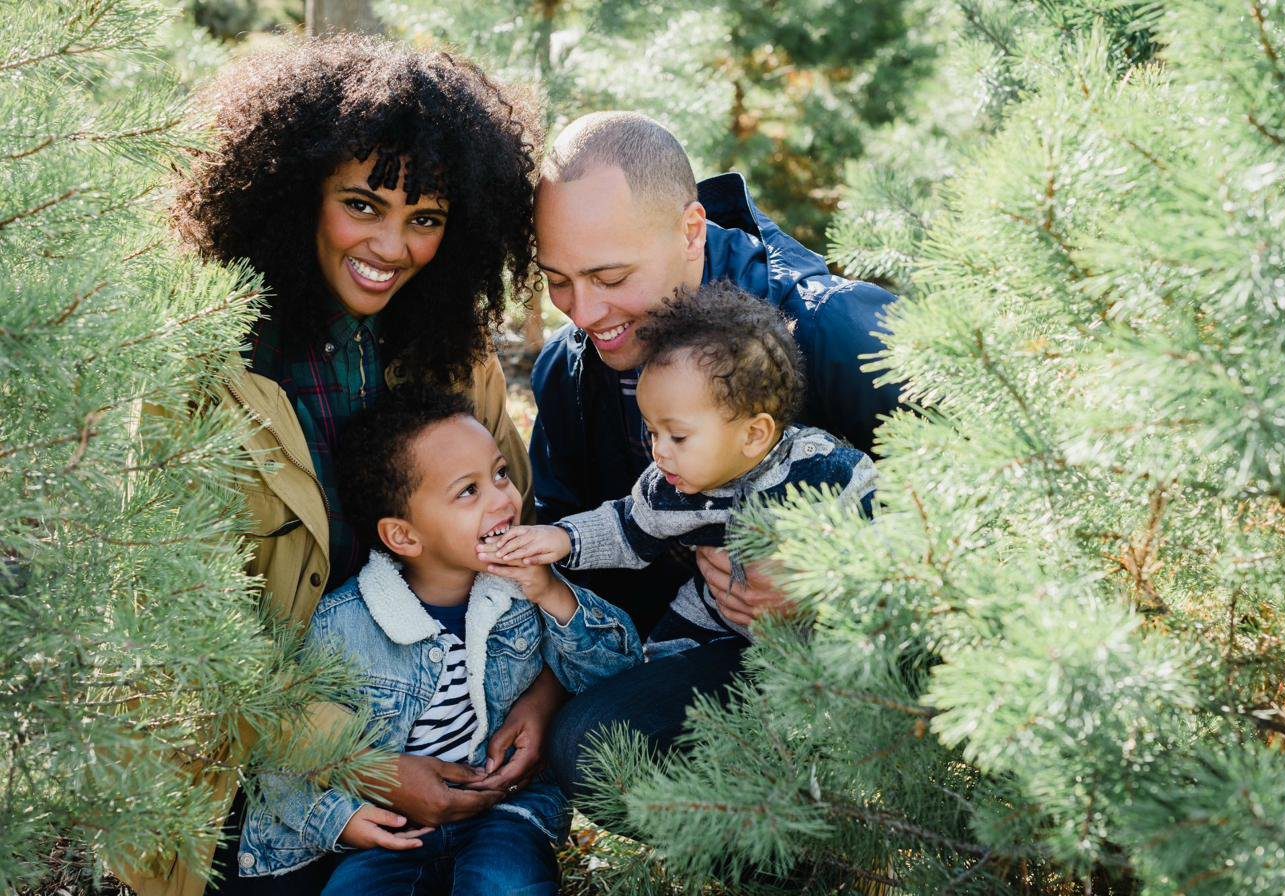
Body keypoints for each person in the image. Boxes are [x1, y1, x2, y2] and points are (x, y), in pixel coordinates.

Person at [123, 38, 562, 896]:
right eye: (362, 204)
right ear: (294, 194)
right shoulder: (202, 369)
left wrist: (539, 703)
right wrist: (351, 763)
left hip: (453, 745)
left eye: (426, 218)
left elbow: (519, 552)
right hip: (254, 768)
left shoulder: (456, 355)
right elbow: (175, 631)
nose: (392, 246)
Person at [528, 111, 906, 798]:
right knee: (592, 752)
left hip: (869, 659)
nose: (582, 313)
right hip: (700, 649)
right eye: (557, 280)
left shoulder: (836, 331)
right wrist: (540, 692)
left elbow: (1002, 498)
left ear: (691, 229)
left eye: (610, 277)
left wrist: (842, 577)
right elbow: (577, 553)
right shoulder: (568, 371)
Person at [236, 390, 641, 895]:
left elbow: (616, 672)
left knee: (508, 886)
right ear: (403, 537)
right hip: (395, 826)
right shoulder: (343, 626)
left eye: (499, 473)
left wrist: (553, 592)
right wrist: (339, 819)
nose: (502, 498)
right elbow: (287, 747)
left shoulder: (526, 590)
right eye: (467, 491)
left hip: (506, 812)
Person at [483, 283, 875, 658]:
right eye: (652, 432)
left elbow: (890, 533)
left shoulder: (821, 468)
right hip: (716, 615)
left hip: (821, 638)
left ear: (754, 434)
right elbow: (627, 525)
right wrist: (564, 538)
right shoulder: (672, 488)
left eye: (678, 437)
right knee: (662, 653)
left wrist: (831, 584)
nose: (659, 453)